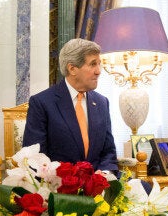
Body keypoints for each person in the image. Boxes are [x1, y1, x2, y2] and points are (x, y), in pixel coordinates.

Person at [23, 38, 118, 174]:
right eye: (92, 64)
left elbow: (109, 153)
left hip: (98, 187)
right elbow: (35, 157)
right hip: (60, 188)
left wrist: (104, 175)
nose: (98, 71)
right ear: (72, 68)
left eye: (99, 64)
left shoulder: (102, 102)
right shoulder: (42, 103)